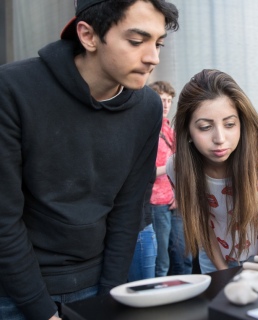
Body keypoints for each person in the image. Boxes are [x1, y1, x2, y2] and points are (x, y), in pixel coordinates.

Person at [0, 1, 179, 319]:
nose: (153, 57)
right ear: (88, 35)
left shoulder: (147, 108)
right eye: (136, 41)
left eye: (158, 43)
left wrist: (108, 299)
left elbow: (128, 213)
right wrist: (42, 312)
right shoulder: (12, 89)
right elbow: (4, 219)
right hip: (14, 290)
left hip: (95, 285)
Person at [166, 69, 258, 274]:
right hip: (215, 254)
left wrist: (256, 276)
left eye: (230, 124)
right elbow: (203, 225)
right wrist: (223, 271)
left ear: (241, 123)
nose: (220, 138)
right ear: (187, 130)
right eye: (205, 127)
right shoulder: (178, 166)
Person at [149, 81, 192, 276]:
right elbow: (144, 172)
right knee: (161, 260)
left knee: (184, 256)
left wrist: (180, 193)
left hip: (176, 199)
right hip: (156, 202)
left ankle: (188, 298)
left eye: (169, 100)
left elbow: (183, 166)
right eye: (161, 100)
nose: (166, 104)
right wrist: (169, 166)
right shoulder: (147, 130)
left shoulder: (170, 130)